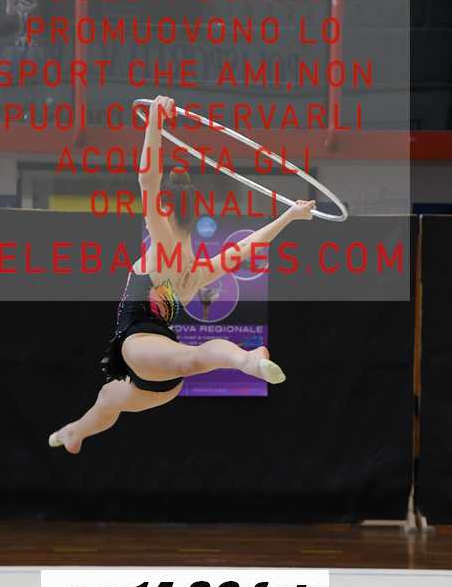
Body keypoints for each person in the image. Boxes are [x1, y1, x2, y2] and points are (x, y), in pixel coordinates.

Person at [48, 95, 315, 454]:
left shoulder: (161, 246)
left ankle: (248, 359)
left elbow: (147, 180)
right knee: (108, 400)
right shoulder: (196, 271)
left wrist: (154, 122)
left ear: (164, 209)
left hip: (142, 348)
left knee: (192, 358)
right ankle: (73, 432)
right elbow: (249, 246)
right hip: (162, 380)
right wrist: (290, 216)